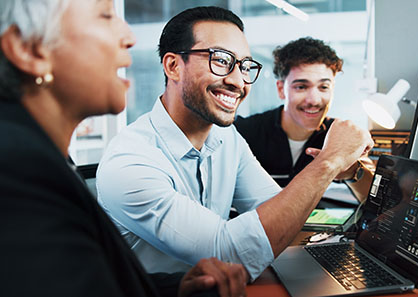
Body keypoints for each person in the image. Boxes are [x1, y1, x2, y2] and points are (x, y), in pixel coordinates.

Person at [97, 6, 373, 282]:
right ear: (173, 66)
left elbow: (280, 212)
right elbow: (226, 253)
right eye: (220, 60)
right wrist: (329, 162)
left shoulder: (226, 138)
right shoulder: (128, 161)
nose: (238, 81)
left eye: (244, 66)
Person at [0, 1, 247, 297]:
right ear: (28, 49)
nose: (129, 36)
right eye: (105, 16)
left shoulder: (40, 158)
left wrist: (175, 288)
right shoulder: (17, 171)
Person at [234, 37, 375, 200]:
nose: (314, 100)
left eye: (323, 87)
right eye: (301, 87)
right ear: (281, 90)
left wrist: (352, 172)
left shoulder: (339, 135)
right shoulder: (244, 132)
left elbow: (374, 201)